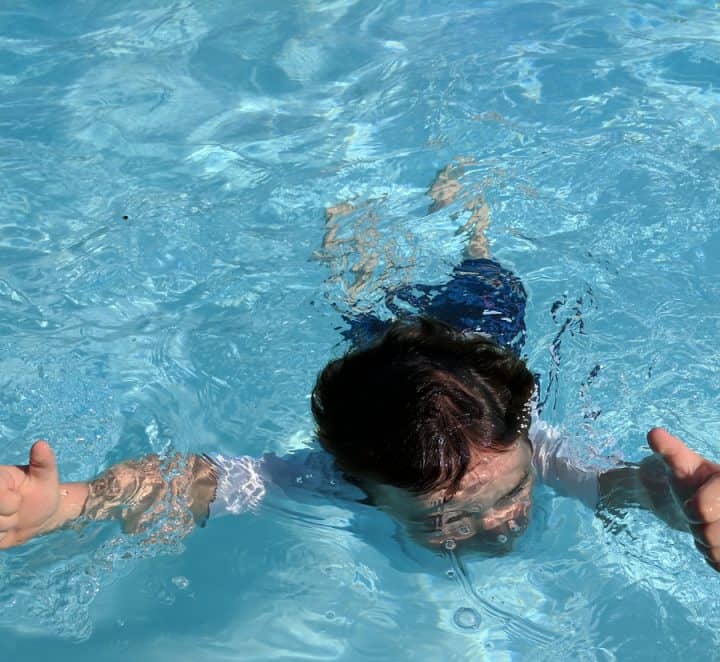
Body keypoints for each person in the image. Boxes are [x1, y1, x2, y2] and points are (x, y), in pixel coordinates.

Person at [1, 166, 719, 572]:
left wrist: (665, 502)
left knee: (487, 273)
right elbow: (199, 478)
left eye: (508, 492)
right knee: (365, 307)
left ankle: (469, 215)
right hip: (394, 367)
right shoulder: (341, 476)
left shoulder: (521, 440)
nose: (498, 521)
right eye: (446, 518)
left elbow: (612, 485)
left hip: (480, 340)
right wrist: (67, 504)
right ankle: (352, 243)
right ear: (365, 486)